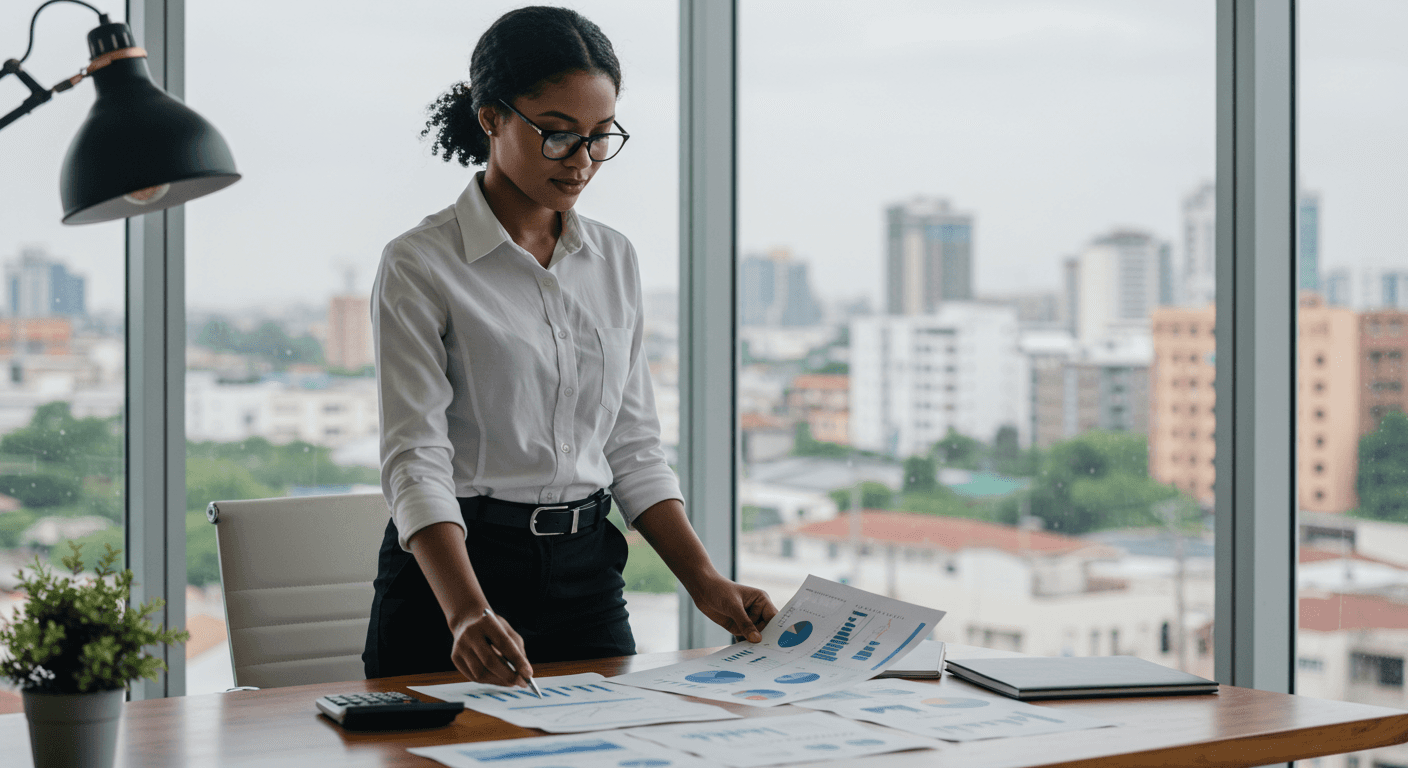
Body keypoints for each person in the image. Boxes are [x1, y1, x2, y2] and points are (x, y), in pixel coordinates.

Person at [363, 6, 777, 686]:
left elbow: (632, 445)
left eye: (599, 137)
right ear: (491, 116)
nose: (582, 162)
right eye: (557, 135)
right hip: (455, 578)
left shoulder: (613, 259)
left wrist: (704, 583)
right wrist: (467, 612)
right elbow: (416, 459)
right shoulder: (421, 264)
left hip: (587, 576)